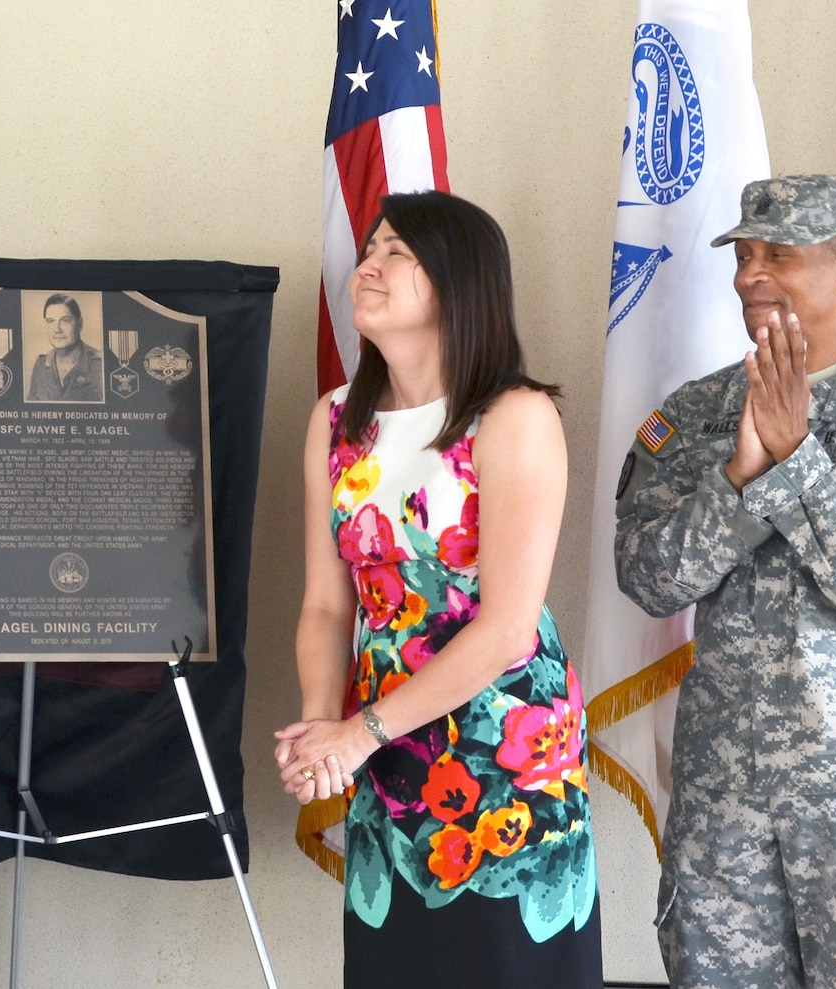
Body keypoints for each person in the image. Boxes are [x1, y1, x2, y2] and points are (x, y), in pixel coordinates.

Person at [615, 175, 836, 988]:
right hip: (724, 794)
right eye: (744, 256)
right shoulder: (698, 413)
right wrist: (739, 481)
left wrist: (797, 458)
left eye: (778, 254)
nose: (750, 275)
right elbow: (646, 577)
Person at [275, 190, 601, 987]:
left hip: (502, 751)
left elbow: (508, 630)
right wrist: (324, 732)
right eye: (370, 248)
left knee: (502, 965)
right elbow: (326, 603)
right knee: (397, 965)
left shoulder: (514, 416)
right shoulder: (334, 420)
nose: (370, 266)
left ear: (459, 283)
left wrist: (360, 732)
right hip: (382, 751)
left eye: (399, 253)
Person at [26, 292, 104, 401]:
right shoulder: (41, 365)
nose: (57, 329)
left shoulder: (100, 365)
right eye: (51, 321)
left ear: (80, 324)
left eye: (65, 321)